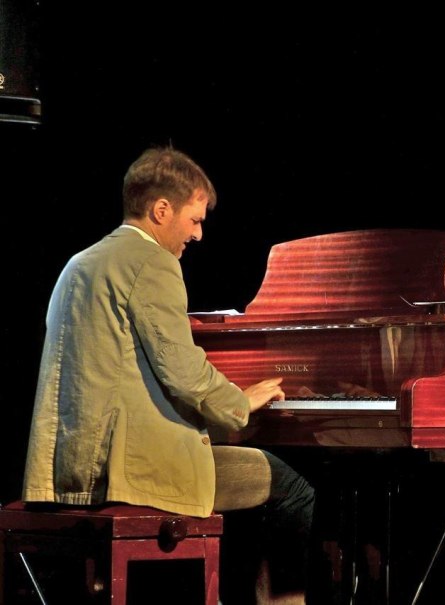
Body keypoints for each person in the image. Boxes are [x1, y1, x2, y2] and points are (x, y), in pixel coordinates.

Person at [21, 146, 315, 604]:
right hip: (130, 468)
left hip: (68, 468)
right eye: (194, 220)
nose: (198, 234)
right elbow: (184, 374)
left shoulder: (78, 264)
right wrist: (240, 401)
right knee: (292, 488)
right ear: (161, 210)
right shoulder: (152, 262)